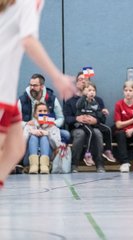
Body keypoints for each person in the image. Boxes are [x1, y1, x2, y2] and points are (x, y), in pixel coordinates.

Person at [0, 0, 73, 188]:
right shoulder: (29, 2)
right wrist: (57, 76)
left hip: (5, 90)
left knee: (15, 148)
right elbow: (29, 41)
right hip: (2, 89)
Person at [63, 72, 108, 173]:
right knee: (80, 134)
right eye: (80, 79)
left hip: (94, 127)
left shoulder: (97, 100)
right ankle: (74, 164)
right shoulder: (70, 101)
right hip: (78, 128)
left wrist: (96, 120)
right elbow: (66, 119)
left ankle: (99, 164)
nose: (83, 81)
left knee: (97, 133)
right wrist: (76, 118)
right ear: (76, 84)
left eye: (85, 79)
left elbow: (103, 119)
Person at [18, 73, 70, 144]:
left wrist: (54, 123)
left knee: (66, 135)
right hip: (29, 130)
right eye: (30, 85)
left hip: (48, 129)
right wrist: (26, 123)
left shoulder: (51, 98)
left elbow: (61, 118)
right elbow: (14, 121)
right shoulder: (22, 100)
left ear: (42, 86)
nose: (32, 88)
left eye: (35, 85)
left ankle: (54, 153)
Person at [75, 82, 115, 166]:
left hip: (93, 122)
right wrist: (84, 96)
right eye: (89, 90)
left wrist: (103, 112)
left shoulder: (95, 102)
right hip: (83, 123)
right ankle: (87, 155)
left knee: (108, 130)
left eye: (93, 90)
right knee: (90, 132)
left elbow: (97, 113)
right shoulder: (82, 100)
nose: (92, 92)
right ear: (84, 92)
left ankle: (107, 151)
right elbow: (78, 106)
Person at [113, 80, 133, 173]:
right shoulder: (119, 104)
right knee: (120, 133)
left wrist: (132, 129)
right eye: (126, 90)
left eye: (130, 90)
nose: (128, 92)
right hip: (122, 132)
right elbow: (118, 124)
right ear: (123, 91)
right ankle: (124, 163)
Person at [23, 102, 62, 174]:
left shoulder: (52, 126)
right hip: (29, 157)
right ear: (35, 114)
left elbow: (58, 146)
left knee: (44, 137)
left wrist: (48, 134)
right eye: (40, 111)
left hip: (48, 157)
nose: (43, 113)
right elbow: (21, 145)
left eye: (45, 111)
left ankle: (44, 166)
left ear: (48, 113)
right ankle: (33, 165)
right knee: (33, 137)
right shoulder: (29, 125)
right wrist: (31, 132)